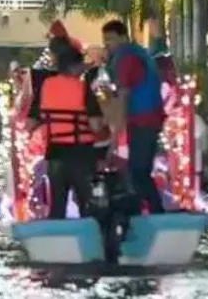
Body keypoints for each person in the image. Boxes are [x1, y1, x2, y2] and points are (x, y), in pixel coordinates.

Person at [27, 35, 104, 220]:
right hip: (82, 156)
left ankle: (57, 241)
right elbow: (95, 125)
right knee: (88, 205)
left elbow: (31, 123)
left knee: (57, 206)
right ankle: (92, 240)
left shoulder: (46, 86)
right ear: (75, 66)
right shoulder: (84, 88)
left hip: (55, 154)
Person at [101, 19, 168, 214]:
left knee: (137, 172)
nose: (107, 44)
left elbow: (123, 95)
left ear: (123, 37)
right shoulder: (136, 53)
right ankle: (147, 212)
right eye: (105, 40)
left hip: (143, 119)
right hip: (148, 118)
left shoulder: (126, 59)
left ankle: (151, 214)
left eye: (111, 39)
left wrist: (115, 135)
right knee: (138, 170)